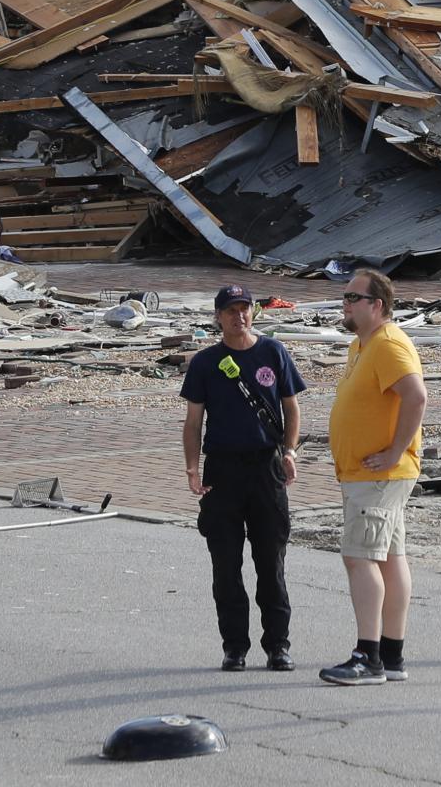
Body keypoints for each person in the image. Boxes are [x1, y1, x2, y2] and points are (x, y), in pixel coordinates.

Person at [180, 284, 306, 672]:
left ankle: (277, 645)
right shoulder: (205, 362)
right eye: (231, 310)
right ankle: (234, 646)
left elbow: (291, 407)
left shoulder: (273, 352)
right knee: (226, 564)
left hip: (265, 467)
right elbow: (193, 420)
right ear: (218, 316)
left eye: (245, 309)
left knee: (271, 562)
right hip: (223, 468)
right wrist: (192, 467)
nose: (240, 316)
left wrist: (289, 450)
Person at [318, 268, 428, 687]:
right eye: (344, 296)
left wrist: (396, 451)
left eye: (352, 297)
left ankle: (368, 656)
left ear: (376, 305)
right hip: (370, 474)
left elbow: (416, 397)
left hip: (379, 474)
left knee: (359, 556)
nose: (344, 303)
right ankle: (393, 653)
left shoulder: (388, 344)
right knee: (388, 557)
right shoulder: (361, 346)